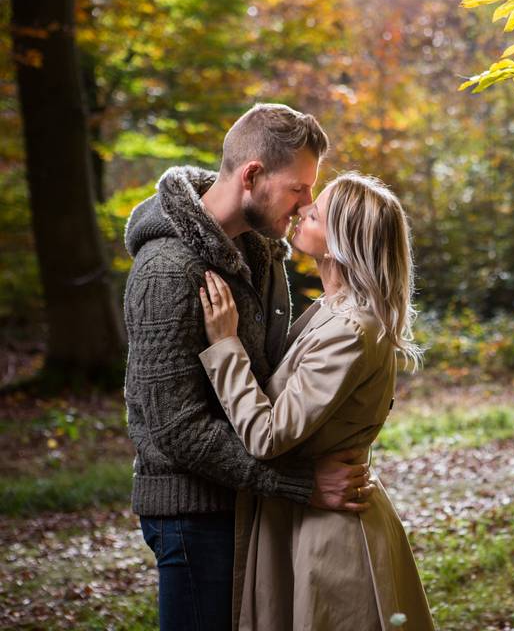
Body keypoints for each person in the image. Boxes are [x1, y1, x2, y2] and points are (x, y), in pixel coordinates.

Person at [123, 104, 376, 631]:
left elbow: (272, 374)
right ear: (253, 175)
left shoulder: (259, 248)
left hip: (246, 499)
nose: (308, 203)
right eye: (299, 188)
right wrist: (300, 484)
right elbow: (175, 426)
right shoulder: (167, 271)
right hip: (194, 515)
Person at [198, 172, 435, 630]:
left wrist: (225, 344)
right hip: (302, 518)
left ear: (343, 241)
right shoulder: (329, 309)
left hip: (330, 539)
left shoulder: (351, 329)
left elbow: (267, 435)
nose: (304, 209)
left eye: (317, 212)